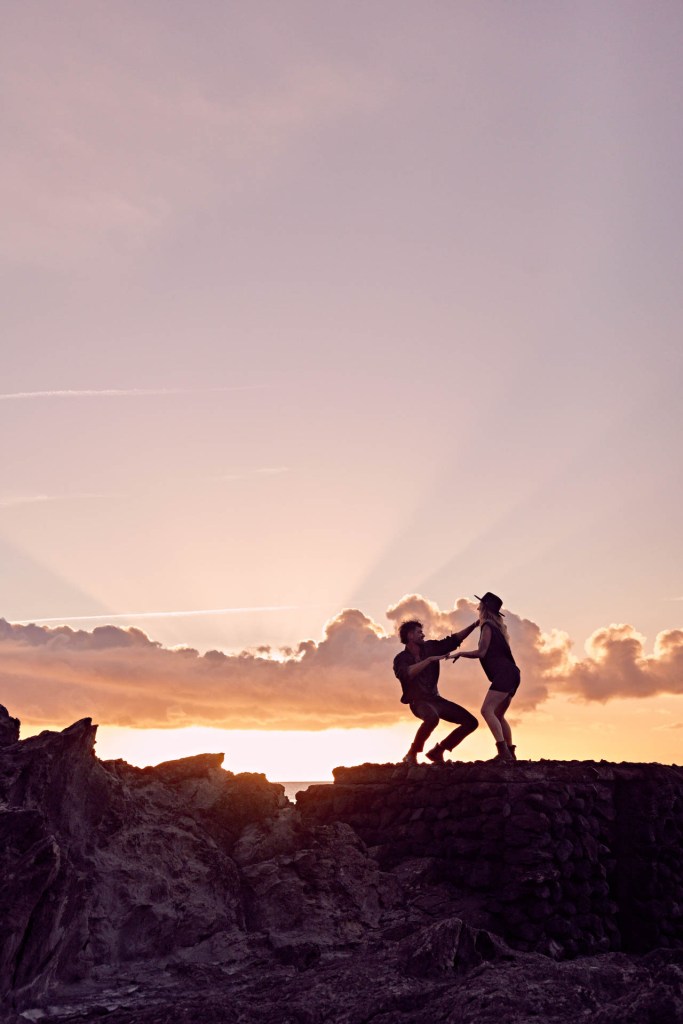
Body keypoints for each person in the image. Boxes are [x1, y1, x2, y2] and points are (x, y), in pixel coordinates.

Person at [393, 618, 479, 765]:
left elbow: (454, 640)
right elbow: (407, 674)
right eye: (419, 632)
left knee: (471, 722)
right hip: (418, 702)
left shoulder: (431, 647)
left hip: (436, 700)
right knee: (432, 719)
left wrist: (475, 625)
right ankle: (411, 754)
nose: (423, 635)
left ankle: (438, 751)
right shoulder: (400, 659)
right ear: (410, 636)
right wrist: (429, 660)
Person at [450, 592, 520, 762]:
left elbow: (481, 652)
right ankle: (510, 753)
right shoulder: (496, 628)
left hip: (504, 674)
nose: (477, 607)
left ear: (485, 608)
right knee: (498, 714)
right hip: (513, 674)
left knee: (486, 710)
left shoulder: (487, 626)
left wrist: (461, 653)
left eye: (480, 605)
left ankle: (503, 753)